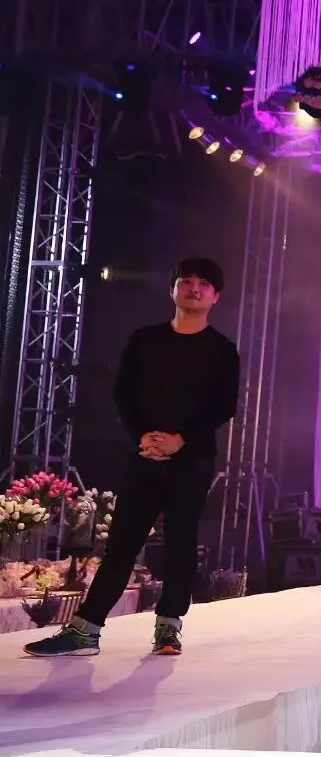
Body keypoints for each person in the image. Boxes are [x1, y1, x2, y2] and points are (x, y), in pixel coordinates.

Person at [23, 257, 240, 659]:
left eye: (204, 284)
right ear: (172, 290)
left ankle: (168, 628)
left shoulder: (223, 350)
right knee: (122, 544)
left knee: (180, 543)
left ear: (216, 297)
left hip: (192, 460)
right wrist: (144, 436)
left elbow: (223, 405)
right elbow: (124, 393)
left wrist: (180, 441)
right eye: (186, 281)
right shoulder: (144, 339)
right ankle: (85, 631)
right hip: (144, 454)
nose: (194, 288)